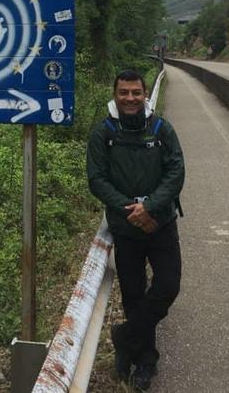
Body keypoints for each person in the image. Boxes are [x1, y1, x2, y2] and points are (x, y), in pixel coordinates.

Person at [87, 69, 185, 390]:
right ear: (114, 95)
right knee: (132, 295)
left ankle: (124, 337)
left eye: (136, 93)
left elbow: (175, 171)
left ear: (145, 95)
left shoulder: (161, 129)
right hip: (127, 228)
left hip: (161, 223)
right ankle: (145, 360)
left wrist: (150, 207)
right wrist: (133, 211)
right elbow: (97, 179)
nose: (130, 98)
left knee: (167, 286)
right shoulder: (104, 133)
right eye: (124, 92)